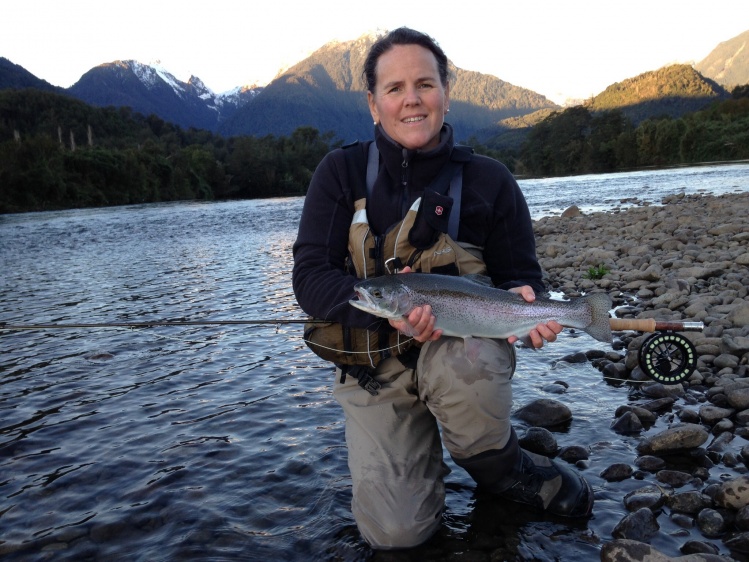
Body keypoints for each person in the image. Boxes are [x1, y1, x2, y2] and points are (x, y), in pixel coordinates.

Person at [292, 27, 593, 550]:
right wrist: (381, 311)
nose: (411, 99)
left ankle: (503, 469)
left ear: (446, 94)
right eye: (395, 88)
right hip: (373, 368)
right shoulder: (339, 173)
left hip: (463, 349)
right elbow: (310, 277)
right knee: (396, 536)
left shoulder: (490, 180)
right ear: (373, 103)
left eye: (425, 84)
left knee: (463, 368)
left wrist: (532, 308)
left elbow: (521, 277)